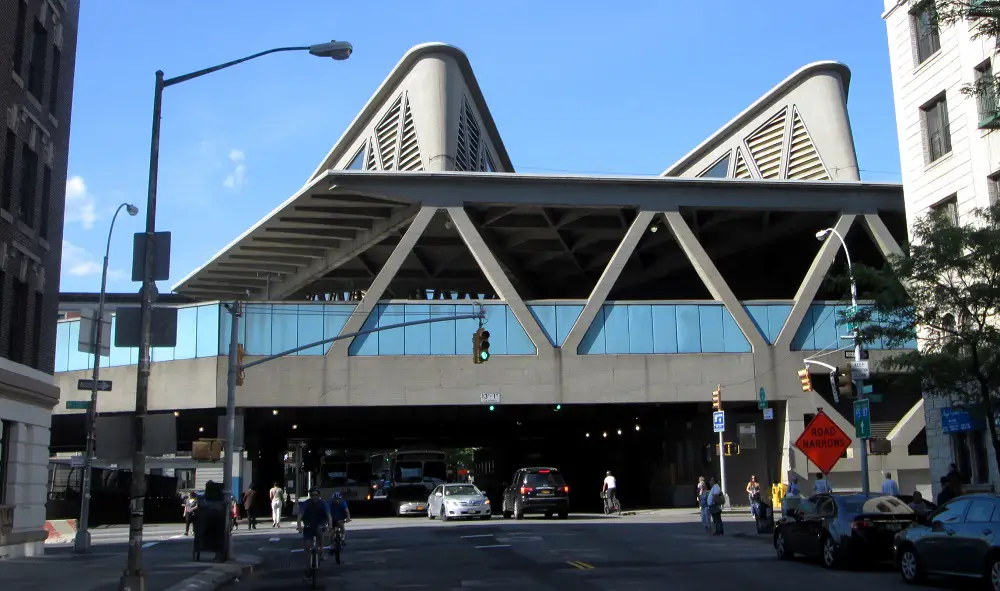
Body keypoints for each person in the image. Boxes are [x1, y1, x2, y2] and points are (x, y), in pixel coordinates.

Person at [297, 488, 332, 580]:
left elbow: (328, 515)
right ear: (310, 495)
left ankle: (321, 550)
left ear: (319, 495)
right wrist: (299, 526)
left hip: (320, 523)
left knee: (319, 531)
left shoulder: (323, 504)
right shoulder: (305, 504)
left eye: (316, 495)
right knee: (307, 548)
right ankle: (308, 569)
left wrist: (330, 525)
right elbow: (300, 516)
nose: (314, 497)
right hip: (309, 524)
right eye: (312, 495)